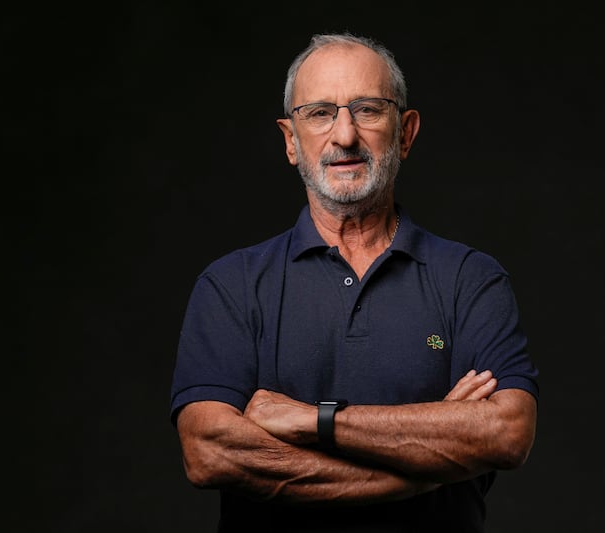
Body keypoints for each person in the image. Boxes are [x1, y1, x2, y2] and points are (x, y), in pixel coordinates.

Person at [169, 32, 539, 532]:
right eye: (320, 113)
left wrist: (312, 420)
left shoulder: (470, 279)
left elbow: (506, 432)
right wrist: (423, 466)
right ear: (290, 141)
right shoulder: (231, 285)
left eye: (367, 109)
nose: (344, 135)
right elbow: (210, 453)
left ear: (405, 133)